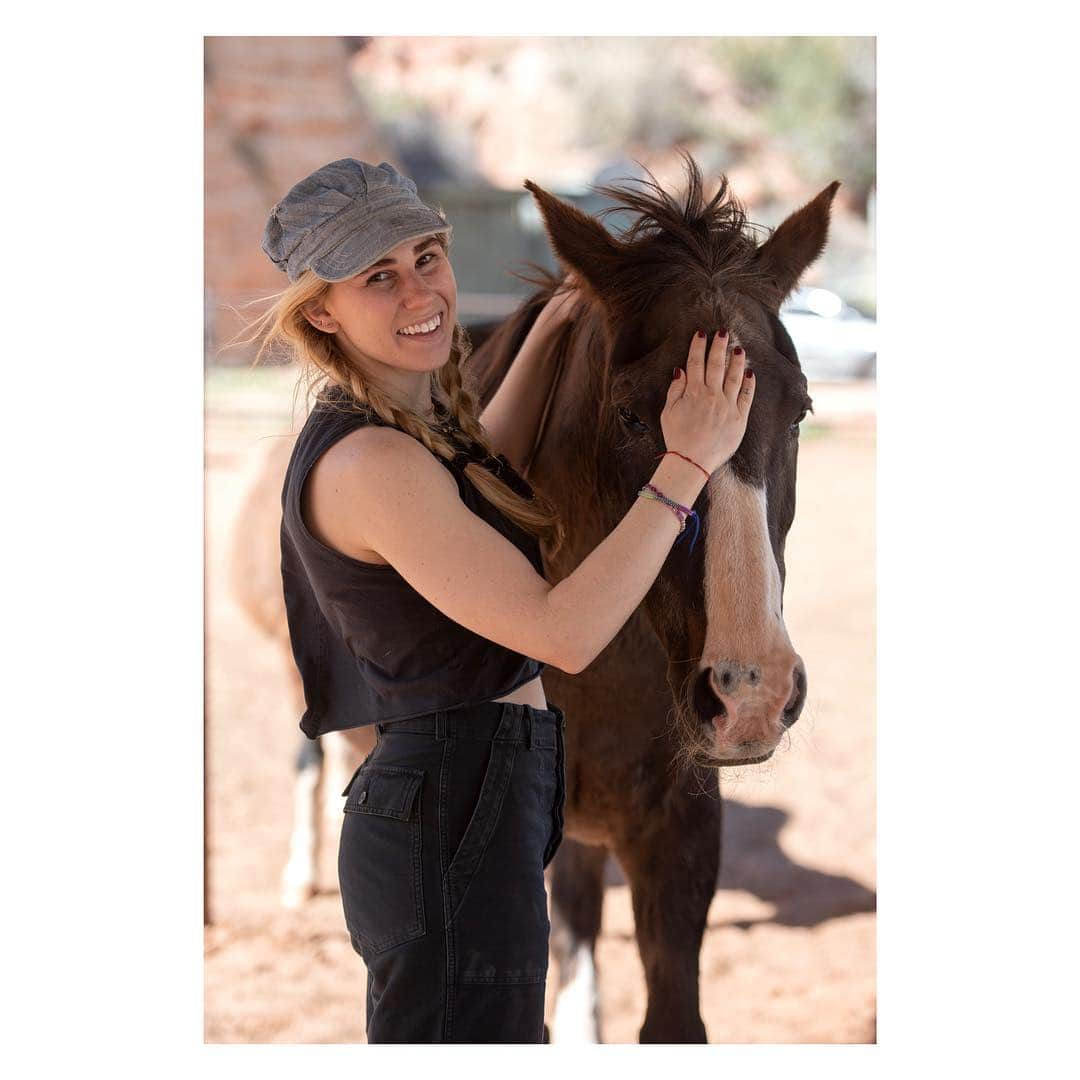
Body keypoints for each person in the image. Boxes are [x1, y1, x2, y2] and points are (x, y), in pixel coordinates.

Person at [250, 159, 755, 1044]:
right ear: (322, 312)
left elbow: (484, 466)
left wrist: (557, 320)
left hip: (473, 796)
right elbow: (560, 631)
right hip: (452, 814)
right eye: (379, 276)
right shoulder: (373, 464)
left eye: (427, 255)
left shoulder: (408, 426)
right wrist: (687, 464)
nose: (422, 290)